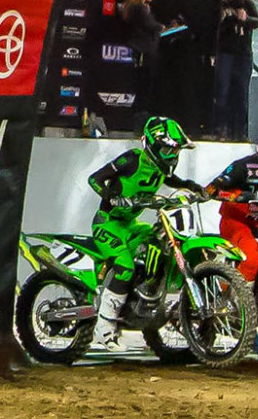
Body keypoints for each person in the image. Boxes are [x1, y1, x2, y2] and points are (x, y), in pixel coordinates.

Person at [85, 117, 203, 348]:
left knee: (158, 242)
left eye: (175, 150)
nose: (172, 155)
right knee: (126, 268)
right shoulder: (132, 159)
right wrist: (112, 197)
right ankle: (104, 330)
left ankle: (144, 298)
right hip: (108, 223)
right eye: (168, 149)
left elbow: (170, 179)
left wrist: (190, 186)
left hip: (131, 224)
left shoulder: (159, 168)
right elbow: (94, 179)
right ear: (153, 145)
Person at [204, 123, 258, 285]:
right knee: (253, 259)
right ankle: (234, 304)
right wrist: (241, 196)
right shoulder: (243, 166)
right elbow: (210, 189)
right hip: (233, 223)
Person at [214, 0, 258, 139]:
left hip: (243, 54)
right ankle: (221, 128)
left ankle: (240, 130)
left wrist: (245, 19)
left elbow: (256, 21)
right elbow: (217, 23)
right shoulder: (223, 3)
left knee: (241, 93)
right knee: (223, 91)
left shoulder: (248, 4)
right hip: (226, 52)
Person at [119, 0, 166, 117]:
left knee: (146, 84)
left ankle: (142, 110)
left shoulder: (144, 7)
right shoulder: (137, 8)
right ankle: (140, 112)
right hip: (142, 52)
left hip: (147, 50)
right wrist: (161, 27)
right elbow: (150, 25)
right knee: (143, 83)